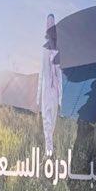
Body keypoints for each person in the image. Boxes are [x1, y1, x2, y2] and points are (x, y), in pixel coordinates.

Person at [38, 13, 63, 157]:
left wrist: (60, 98)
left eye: (52, 24)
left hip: (55, 91)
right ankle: (49, 151)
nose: (50, 26)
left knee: (52, 120)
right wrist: (38, 96)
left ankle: (50, 148)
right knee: (46, 120)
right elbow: (41, 73)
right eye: (48, 24)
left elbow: (59, 76)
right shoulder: (43, 50)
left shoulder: (57, 50)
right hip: (46, 89)